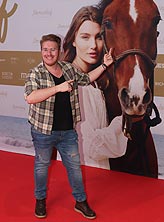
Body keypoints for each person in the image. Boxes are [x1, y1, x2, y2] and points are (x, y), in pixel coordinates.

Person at [24, 33, 113, 219]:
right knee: (41, 166)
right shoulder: (36, 73)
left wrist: (105, 65)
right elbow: (30, 97)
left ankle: (80, 202)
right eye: (45, 49)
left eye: (52, 49)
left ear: (60, 51)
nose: (48, 53)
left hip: (68, 132)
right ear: (41, 51)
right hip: (43, 131)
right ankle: (40, 200)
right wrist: (58, 88)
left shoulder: (68, 68)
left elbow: (87, 79)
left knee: (74, 168)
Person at [63, 6, 128, 169]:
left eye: (99, 37)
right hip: (83, 175)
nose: (93, 45)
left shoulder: (95, 83)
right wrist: (126, 121)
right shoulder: (71, 84)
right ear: (73, 40)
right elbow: (92, 145)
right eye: (85, 37)